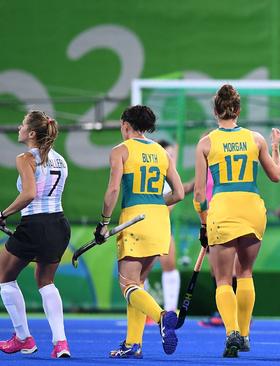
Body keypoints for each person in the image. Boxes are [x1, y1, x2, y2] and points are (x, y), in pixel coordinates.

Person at [193, 84, 280, 358]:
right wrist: (277, 147)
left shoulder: (206, 142)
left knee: (222, 280)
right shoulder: (256, 139)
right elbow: (276, 175)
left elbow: (198, 194)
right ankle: (244, 335)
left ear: (215, 110)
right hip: (252, 209)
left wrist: (204, 221)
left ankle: (231, 331)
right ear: (238, 109)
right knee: (245, 274)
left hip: (223, 210)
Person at [94, 105, 185, 358]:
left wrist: (104, 222)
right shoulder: (160, 151)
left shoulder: (120, 151)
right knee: (138, 284)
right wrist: (155, 203)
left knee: (127, 284)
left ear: (126, 124)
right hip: (159, 219)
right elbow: (179, 193)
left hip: (134, 219)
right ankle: (133, 344)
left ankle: (162, 316)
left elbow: (113, 191)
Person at [0, 111, 71, 358]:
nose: (18, 127)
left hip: (35, 225)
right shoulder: (60, 159)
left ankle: (23, 338)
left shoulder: (25, 158)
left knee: (4, 276)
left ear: (31, 133)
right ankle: (61, 343)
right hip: (59, 225)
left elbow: (29, 194)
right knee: (46, 282)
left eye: (22, 125)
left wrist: (3, 213)